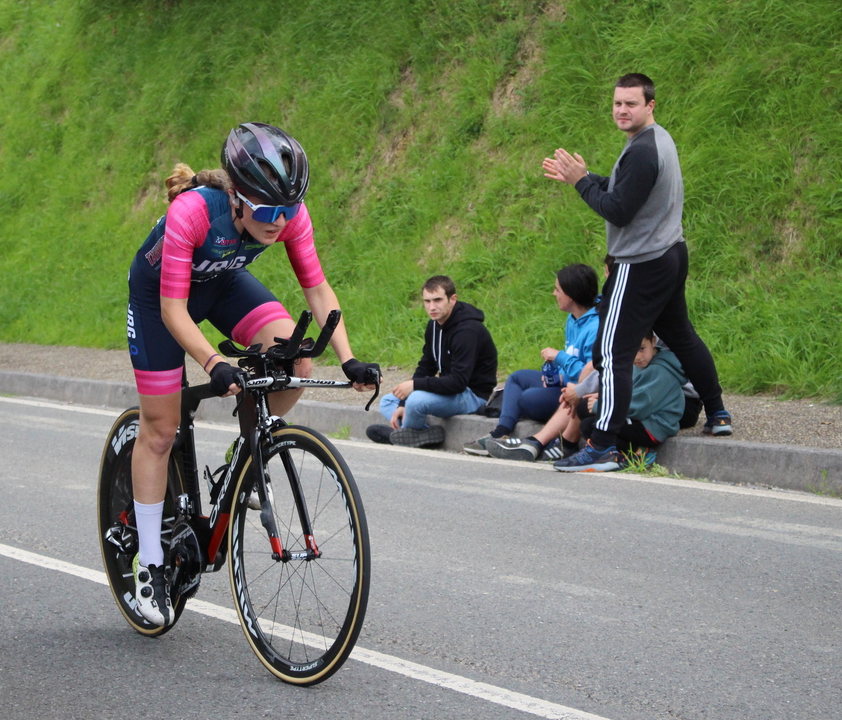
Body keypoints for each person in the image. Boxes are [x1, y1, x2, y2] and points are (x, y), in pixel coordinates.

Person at [125, 122, 379, 628]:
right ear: (237, 200)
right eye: (266, 212)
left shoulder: (288, 214)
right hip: (160, 300)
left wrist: (348, 357)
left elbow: (317, 288)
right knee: (161, 430)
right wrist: (214, 363)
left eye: (288, 210)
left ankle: (242, 458)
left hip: (222, 283)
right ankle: (147, 564)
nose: (278, 222)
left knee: (296, 362)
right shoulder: (194, 212)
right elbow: (173, 310)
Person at [542, 72, 731, 474]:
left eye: (631, 103)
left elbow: (619, 209)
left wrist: (580, 184)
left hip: (641, 261)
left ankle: (603, 445)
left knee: (613, 353)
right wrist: (587, 178)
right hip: (670, 253)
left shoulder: (644, 150)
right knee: (680, 334)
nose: (622, 111)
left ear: (650, 105)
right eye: (617, 103)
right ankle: (717, 412)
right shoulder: (655, 139)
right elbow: (626, 188)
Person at [464, 264, 599, 457]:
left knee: (528, 398)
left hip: (577, 391)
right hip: (564, 383)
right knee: (517, 378)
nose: (554, 293)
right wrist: (559, 376)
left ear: (571, 294)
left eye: (558, 290)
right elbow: (573, 360)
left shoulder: (595, 326)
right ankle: (500, 432)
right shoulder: (572, 319)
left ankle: (537, 439)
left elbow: (591, 375)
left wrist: (559, 357)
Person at [366, 275, 498, 448]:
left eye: (437, 300)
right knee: (389, 401)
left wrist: (415, 386)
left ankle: (405, 435)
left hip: (471, 395)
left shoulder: (468, 331)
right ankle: (419, 434)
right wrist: (404, 402)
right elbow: (426, 366)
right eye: (427, 301)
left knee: (416, 400)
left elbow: (458, 382)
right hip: (450, 391)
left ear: (452, 299)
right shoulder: (434, 325)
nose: (432, 307)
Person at [554, 333, 688, 471]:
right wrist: (603, 399)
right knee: (584, 408)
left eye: (641, 349)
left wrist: (601, 406)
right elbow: (624, 391)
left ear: (653, 342)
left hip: (653, 426)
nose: (637, 356)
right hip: (638, 416)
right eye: (632, 350)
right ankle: (618, 452)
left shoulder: (659, 371)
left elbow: (638, 407)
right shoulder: (638, 363)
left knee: (590, 426)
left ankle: (639, 452)